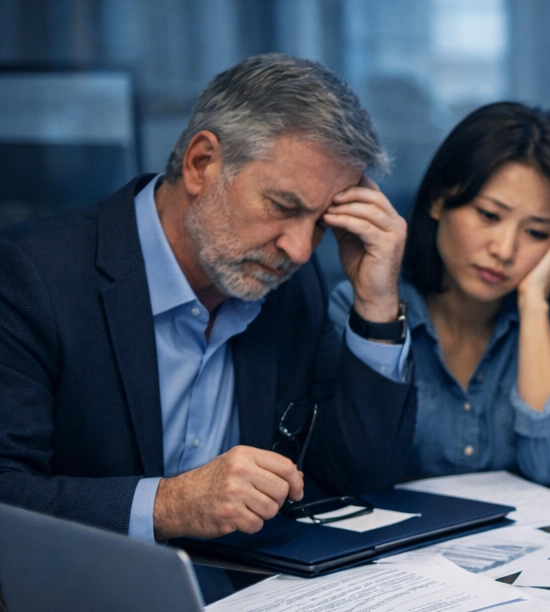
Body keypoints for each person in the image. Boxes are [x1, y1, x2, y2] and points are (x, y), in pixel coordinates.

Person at [0, 54, 415, 541]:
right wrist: (170, 504)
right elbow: (9, 495)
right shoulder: (34, 276)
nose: (301, 250)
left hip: (252, 596)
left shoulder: (291, 286)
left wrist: (377, 303)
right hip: (82, 601)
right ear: (201, 164)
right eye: (283, 206)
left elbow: (358, 481)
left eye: (322, 222)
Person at [329, 103, 550, 485]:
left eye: (537, 233)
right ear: (439, 200)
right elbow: (353, 470)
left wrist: (533, 305)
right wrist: (377, 315)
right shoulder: (360, 306)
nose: (505, 250)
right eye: (489, 216)